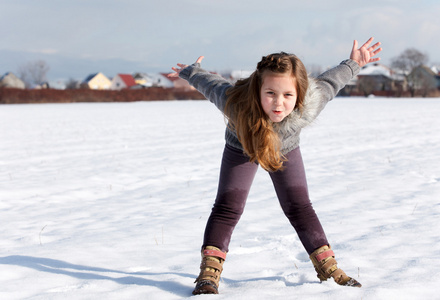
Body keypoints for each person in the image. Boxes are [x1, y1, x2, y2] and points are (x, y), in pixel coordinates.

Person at [169, 37, 382, 295]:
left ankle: (328, 267)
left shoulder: (309, 105)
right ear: (258, 90)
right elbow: (211, 84)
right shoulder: (236, 103)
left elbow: (330, 82)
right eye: (270, 93)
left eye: (287, 95)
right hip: (242, 145)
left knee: (299, 206)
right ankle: (209, 273)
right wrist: (192, 71)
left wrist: (353, 63)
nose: (279, 103)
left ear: (299, 94)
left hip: (285, 148)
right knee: (228, 207)